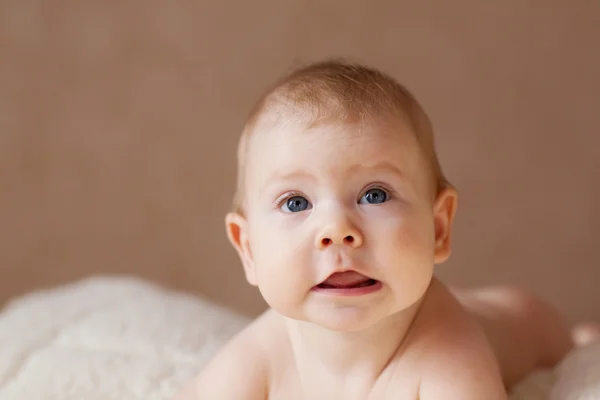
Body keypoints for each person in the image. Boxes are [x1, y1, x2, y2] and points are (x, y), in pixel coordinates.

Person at [174, 60, 599, 399]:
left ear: (438, 228)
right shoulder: (266, 348)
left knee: (552, 333)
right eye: (296, 202)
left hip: (521, 322)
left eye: (374, 195)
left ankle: (579, 337)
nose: (337, 231)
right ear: (248, 249)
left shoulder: (447, 353)